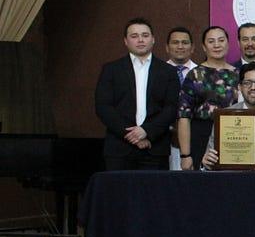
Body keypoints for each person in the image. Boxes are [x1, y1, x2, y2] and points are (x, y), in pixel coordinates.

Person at [94, 17, 180, 170]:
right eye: (134, 36)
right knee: (119, 193)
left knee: (154, 194)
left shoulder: (168, 71)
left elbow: (171, 108)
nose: (140, 40)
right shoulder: (111, 70)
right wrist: (134, 136)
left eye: (145, 35)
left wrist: (147, 131)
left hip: (155, 148)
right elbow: (103, 107)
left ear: (153, 39)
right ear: (126, 41)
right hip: (119, 149)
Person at [176, 25, 239, 170]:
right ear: (204, 47)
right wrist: (185, 155)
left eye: (221, 40)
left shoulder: (238, 74)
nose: (216, 45)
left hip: (232, 135)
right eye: (211, 41)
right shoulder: (195, 74)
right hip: (200, 135)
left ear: (228, 44)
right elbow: (183, 116)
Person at [165, 26, 197, 170]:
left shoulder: (201, 74)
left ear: (192, 47)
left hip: (194, 141)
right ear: (167, 47)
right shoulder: (157, 72)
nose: (180, 46)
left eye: (185, 43)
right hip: (163, 141)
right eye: (175, 42)